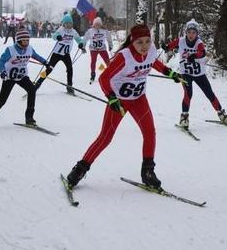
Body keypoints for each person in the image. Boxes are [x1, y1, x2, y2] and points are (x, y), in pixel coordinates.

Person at [64, 23, 184, 190]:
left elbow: (153, 62)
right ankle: (79, 169)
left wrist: (170, 73)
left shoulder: (151, 50)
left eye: (147, 41)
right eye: (139, 42)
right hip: (120, 100)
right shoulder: (124, 56)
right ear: (132, 42)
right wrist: (112, 98)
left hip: (139, 98)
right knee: (105, 138)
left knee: (150, 132)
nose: (144, 46)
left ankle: (148, 172)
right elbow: (104, 79)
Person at [163, 19, 227, 128]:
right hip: (186, 74)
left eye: (193, 32)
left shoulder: (199, 43)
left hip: (199, 74)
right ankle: (184, 117)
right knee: (188, 94)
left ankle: (221, 114)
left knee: (209, 94)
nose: (191, 35)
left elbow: (201, 52)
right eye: (189, 32)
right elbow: (170, 46)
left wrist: (194, 56)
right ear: (186, 32)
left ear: (197, 34)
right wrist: (166, 47)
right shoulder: (181, 40)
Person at [0, 28, 51, 128]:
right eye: (24, 40)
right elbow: (0, 61)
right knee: (2, 100)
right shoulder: (11, 50)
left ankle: (29, 118)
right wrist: (3, 72)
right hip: (9, 77)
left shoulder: (29, 49)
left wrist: (46, 63)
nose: (26, 42)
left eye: (28, 40)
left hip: (22, 76)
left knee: (32, 91)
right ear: (19, 40)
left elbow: (36, 56)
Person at [34, 14, 85, 94]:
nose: (68, 25)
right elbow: (54, 36)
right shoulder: (61, 29)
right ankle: (38, 83)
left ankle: (69, 86)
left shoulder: (73, 31)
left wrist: (81, 44)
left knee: (70, 69)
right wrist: (58, 36)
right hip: (56, 54)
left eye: (70, 23)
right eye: (66, 23)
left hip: (66, 54)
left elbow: (78, 39)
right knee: (49, 69)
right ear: (63, 24)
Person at [82, 17, 113, 83]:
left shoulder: (104, 31)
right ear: (94, 24)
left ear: (101, 24)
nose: (97, 26)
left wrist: (110, 45)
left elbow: (109, 38)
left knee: (107, 61)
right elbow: (85, 39)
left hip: (102, 48)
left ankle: (111, 73)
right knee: (93, 61)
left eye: (99, 24)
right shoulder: (90, 31)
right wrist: (83, 46)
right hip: (93, 49)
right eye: (96, 24)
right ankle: (93, 74)